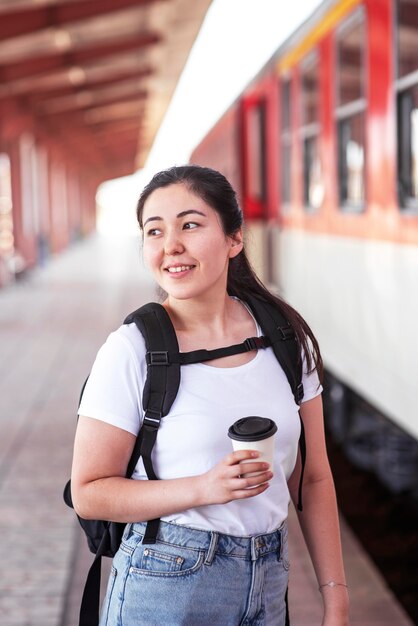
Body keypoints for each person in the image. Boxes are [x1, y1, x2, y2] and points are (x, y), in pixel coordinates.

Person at [71, 165, 349, 626]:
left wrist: (335, 599)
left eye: (190, 224)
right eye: (153, 231)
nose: (170, 245)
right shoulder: (133, 349)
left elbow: (313, 478)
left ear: (234, 239)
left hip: (269, 578)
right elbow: (90, 493)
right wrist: (203, 488)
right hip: (165, 580)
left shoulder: (284, 338)